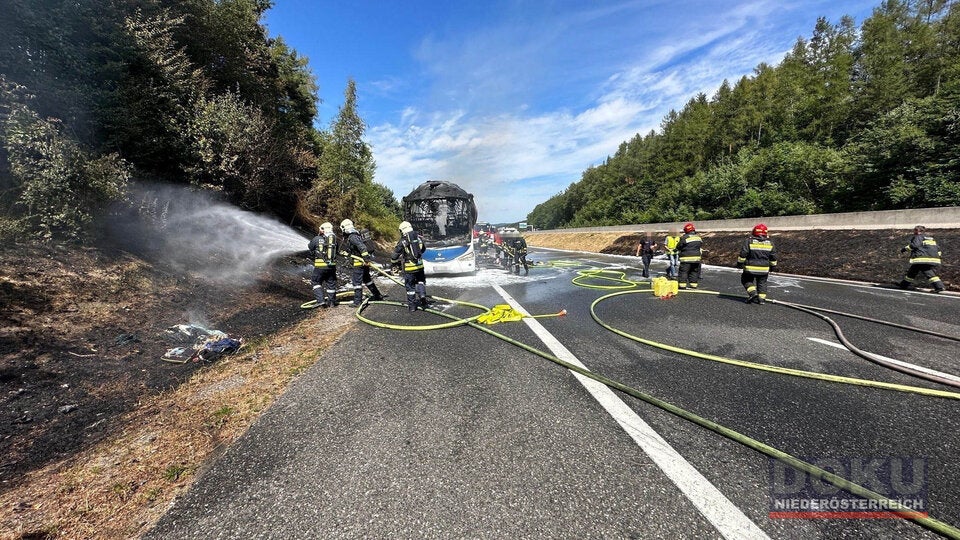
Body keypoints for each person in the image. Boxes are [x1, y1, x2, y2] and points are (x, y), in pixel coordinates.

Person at [339, 218, 384, 306]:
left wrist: (366, 259)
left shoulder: (352, 237)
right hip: (363, 262)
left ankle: (357, 302)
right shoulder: (355, 235)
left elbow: (362, 247)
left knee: (356, 282)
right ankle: (377, 295)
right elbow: (356, 249)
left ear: (345, 228)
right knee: (367, 279)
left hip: (359, 263)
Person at [391, 221, 428, 311]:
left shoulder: (403, 240)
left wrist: (394, 263)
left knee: (410, 287)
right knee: (420, 281)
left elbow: (395, 255)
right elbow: (423, 249)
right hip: (420, 266)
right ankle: (422, 296)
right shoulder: (418, 238)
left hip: (409, 268)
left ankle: (412, 307)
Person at [737, 224, 778, 304]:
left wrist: (740, 264)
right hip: (764, 269)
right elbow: (773, 257)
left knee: (746, 280)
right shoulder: (770, 243)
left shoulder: (749, 241)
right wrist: (773, 267)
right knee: (762, 283)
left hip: (750, 268)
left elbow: (743, 254)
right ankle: (761, 300)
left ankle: (753, 294)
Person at [898, 225, 945, 293]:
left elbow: (915, 245)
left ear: (918, 231)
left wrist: (904, 249)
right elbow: (938, 249)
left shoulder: (918, 237)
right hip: (933, 258)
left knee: (928, 272)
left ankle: (939, 287)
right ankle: (903, 285)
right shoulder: (931, 238)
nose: (913, 232)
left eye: (914, 230)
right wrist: (938, 257)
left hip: (922, 259)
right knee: (912, 271)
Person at [307, 222, 338, 307]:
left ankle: (320, 301)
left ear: (323, 229)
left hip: (320, 267)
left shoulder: (317, 238)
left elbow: (310, 247)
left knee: (315, 281)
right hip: (332, 267)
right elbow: (336, 252)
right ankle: (331, 303)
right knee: (331, 283)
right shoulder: (334, 240)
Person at [676, 222, 703, 290]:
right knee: (694, 271)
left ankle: (682, 285)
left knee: (684, 272)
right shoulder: (698, 238)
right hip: (697, 259)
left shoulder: (684, 237)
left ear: (686, 231)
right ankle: (693, 285)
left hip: (686, 258)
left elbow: (679, 246)